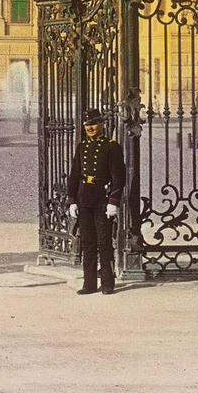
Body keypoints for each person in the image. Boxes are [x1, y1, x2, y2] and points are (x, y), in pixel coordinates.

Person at [67, 108, 126, 295]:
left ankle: (108, 283)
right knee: (87, 243)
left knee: (104, 242)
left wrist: (113, 201)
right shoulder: (81, 147)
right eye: (87, 125)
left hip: (102, 198)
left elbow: (119, 176)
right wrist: (72, 200)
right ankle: (89, 283)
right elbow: (75, 175)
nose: (90, 128)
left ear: (101, 124)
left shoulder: (111, 146)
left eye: (93, 124)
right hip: (84, 198)